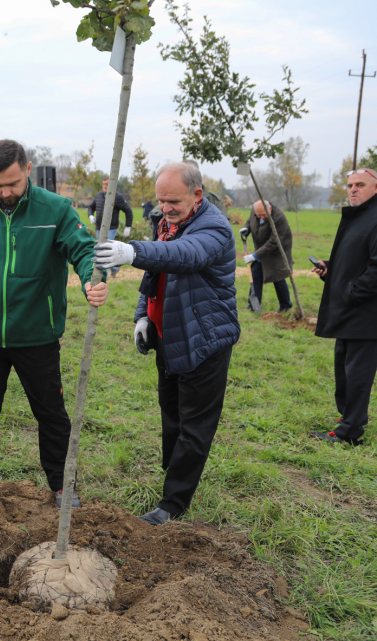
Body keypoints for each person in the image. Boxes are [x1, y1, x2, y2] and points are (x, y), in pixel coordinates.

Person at [0, 140, 109, 516]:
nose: (4, 193)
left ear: (28, 170)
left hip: (37, 335)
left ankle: (61, 485)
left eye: (12, 184)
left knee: (51, 415)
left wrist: (90, 279)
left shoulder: (55, 209)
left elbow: (83, 250)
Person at [94, 162, 239, 526]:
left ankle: (173, 503)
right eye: (161, 201)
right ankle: (174, 474)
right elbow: (156, 275)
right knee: (171, 413)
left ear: (197, 195)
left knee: (194, 424)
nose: (166, 208)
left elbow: (184, 256)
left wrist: (132, 252)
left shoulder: (214, 228)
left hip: (203, 338)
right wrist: (143, 315)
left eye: (173, 201)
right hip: (169, 333)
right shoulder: (169, 223)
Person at [310, 168, 377, 446]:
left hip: (366, 312)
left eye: (360, 185)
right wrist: (331, 269)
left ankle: (350, 433)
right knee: (344, 369)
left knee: (358, 373)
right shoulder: (358, 217)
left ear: (376, 188)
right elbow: (355, 260)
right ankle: (348, 418)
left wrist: (351, 292)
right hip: (349, 310)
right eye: (350, 185)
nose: (352, 189)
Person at [241, 200, 294, 312]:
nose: (261, 217)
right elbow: (251, 221)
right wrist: (247, 229)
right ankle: (253, 306)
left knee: (277, 276)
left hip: (278, 249)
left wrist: (254, 256)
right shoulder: (256, 210)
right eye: (259, 215)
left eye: (264, 214)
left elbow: (274, 242)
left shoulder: (279, 218)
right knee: (256, 274)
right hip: (261, 247)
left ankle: (285, 306)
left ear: (270, 209)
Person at [87, 178, 133, 277]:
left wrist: (128, 226)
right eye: (104, 184)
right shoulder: (98, 195)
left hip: (111, 228)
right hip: (99, 227)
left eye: (107, 184)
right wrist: (90, 215)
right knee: (101, 248)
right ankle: (115, 268)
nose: (105, 186)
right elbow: (91, 207)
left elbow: (128, 210)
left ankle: (105, 273)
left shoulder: (117, 197)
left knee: (105, 249)